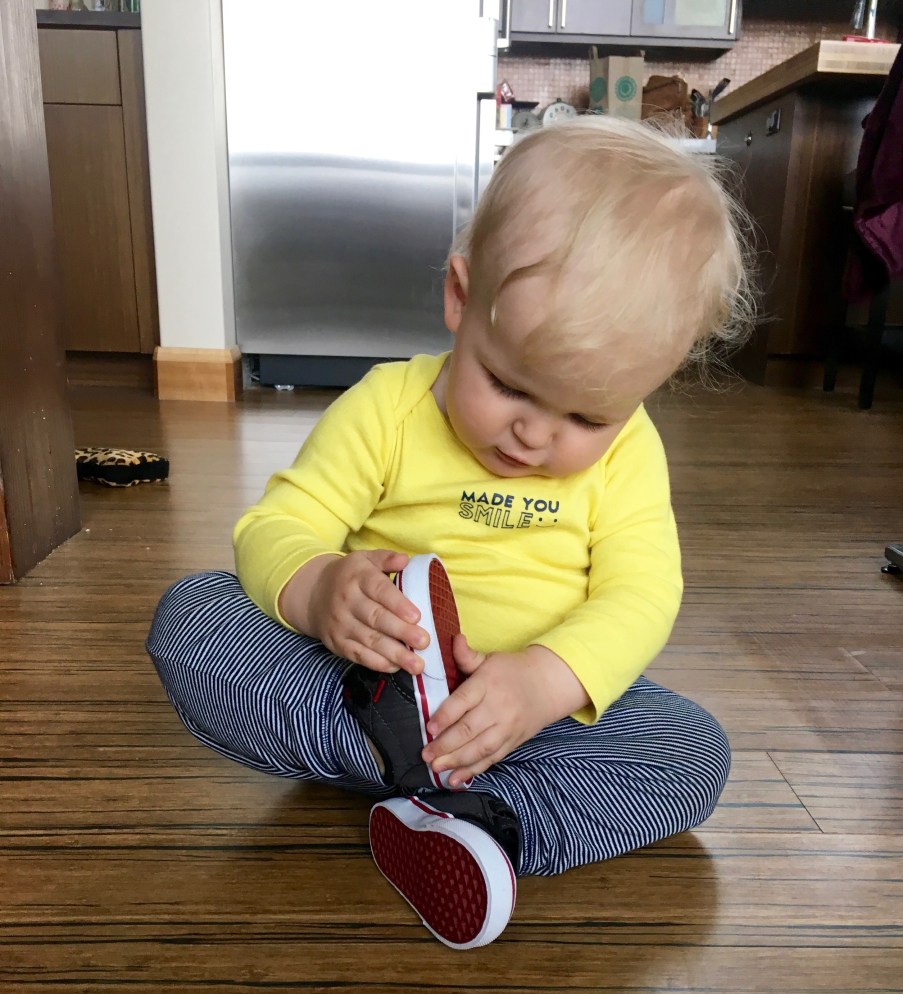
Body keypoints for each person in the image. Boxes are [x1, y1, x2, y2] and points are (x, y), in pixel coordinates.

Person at [146, 115, 754, 950]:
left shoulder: (629, 453)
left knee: (692, 753)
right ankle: (413, 768)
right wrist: (319, 590)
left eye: (586, 417)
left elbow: (641, 593)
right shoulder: (387, 408)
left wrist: (544, 683)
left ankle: (483, 821)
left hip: (529, 720)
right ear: (461, 298)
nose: (532, 435)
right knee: (191, 620)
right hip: (366, 686)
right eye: (507, 385)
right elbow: (278, 523)